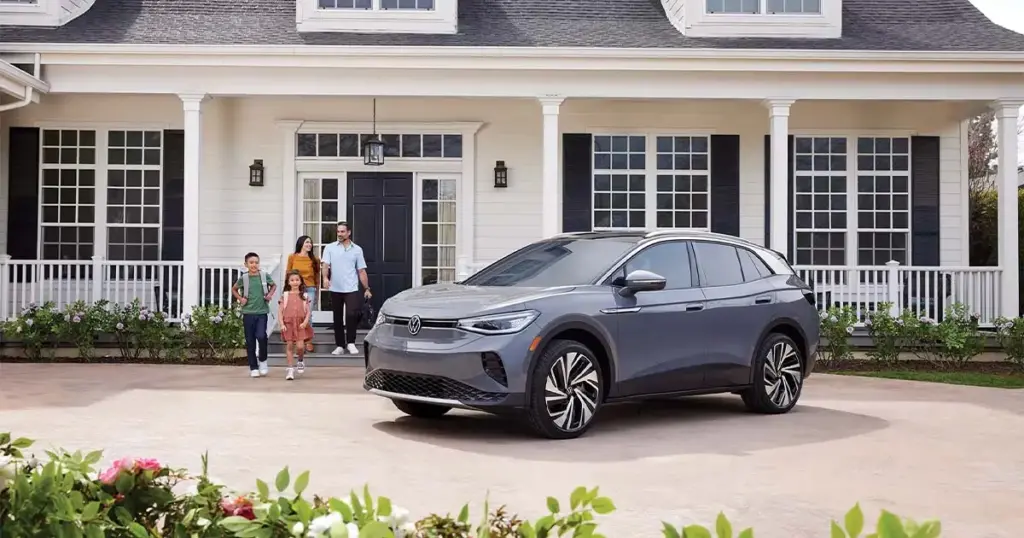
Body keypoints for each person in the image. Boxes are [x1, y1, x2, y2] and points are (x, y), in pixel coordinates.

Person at [321, 221, 372, 355]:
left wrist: (366, 288)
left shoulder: (357, 249)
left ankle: (351, 343)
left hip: (351, 288)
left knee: (351, 315)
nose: (340, 234)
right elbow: (325, 265)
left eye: (342, 231)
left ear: (348, 233)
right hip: (335, 288)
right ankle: (339, 345)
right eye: (338, 231)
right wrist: (325, 278)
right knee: (337, 317)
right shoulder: (330, 248)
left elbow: (361, 271)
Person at [231, 252, 276, 378]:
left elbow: (273, 285)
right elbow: (234, 289)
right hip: (248, 313)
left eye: (256, 262)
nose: (254, 265)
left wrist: (269, 295)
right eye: (251, 262)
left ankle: (263, 361)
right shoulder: (244, 278)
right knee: (250, 340)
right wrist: (240, 299)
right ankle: (253, 367)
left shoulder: (264, 276)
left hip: (262, 312)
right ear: (246, 264)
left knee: (262, 336)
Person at [286, 235, 320, 353]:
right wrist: (287, 290)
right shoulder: (292, 257)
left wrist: (317, 293)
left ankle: (308, 340)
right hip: (295, 289)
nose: (309, 245)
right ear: (301, 244)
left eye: (310, 243)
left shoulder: (314, 259)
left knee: (307, 315)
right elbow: (288, 274)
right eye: (307, 242)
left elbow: (317, 277)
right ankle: (297, 340)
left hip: (310, 288)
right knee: (296, 315)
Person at [278, 270, 314, 381]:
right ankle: (290, 369)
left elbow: (308, 311)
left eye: (297, 280)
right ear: (288, 282)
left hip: (300, 324)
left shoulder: (304, 296)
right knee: (289, 346)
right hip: (288, 324)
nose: (295, 282)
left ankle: (300, 359)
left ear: (300, 281)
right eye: (292, 280)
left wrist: (305, 322)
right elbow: (280, 311)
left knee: (300, 347)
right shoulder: (285, 295)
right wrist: (282, 323)